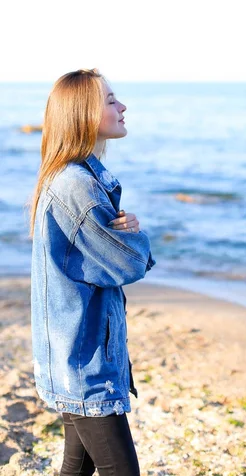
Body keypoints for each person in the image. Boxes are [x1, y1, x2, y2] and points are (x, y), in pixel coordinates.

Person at [28, 68, 156, 476]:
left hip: (72, 355)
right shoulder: (77, 186)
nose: (122, 107)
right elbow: (126, 263)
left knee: (77, 465)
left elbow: (102, 257)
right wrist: (138, 242)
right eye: (110, 100)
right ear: (83, 113)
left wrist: (125, 233)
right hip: (84, 361)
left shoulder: (71, 177)